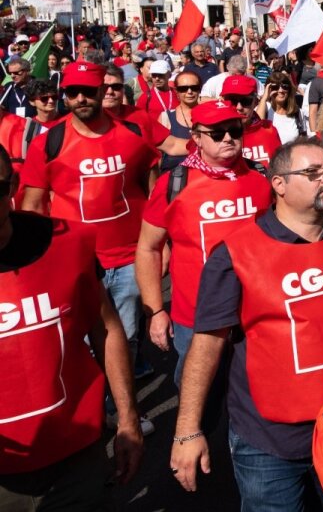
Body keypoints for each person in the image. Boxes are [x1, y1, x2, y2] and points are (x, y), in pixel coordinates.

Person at [170, 138, 323, 509]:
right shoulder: (235, 254)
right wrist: (188, 430)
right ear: (279, 184)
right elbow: (207, 344)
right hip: (267, 441)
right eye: (312, 173)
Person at [19, 62, 159, 435]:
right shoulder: (47, 141)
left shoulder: (133, 131)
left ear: (104, 91)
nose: (80, 98)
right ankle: (88, 413)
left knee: (125, 339)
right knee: (78, 344)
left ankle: (121, 410)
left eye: (89, 91)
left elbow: (152, 179)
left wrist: (159, 243)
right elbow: (32, 206)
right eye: (72, 92)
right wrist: (38, 260)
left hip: (128, 258)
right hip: (75, 263)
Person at [0, 146, 144, 507]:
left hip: (76, 456)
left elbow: (107, 329)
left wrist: (128, 419)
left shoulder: (68, 244)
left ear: (12, 186)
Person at [135, 101, 273, 387]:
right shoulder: (174, 183)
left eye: (234, 130)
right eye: (217, 132)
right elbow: (148, 248)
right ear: (196, 137)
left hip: (256, 310)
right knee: (197, 391)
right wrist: (156, 311)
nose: (228, 138)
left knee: (251, 393)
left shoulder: (261, 176)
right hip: (195, 315)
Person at [222, 74, 282, 164]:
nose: (239, 107)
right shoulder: (212, 136)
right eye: (232, 101)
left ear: (255, 102)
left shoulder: (269, 131)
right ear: (223, 102)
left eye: (245, 101)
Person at [256, 70, 308, 144]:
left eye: (285, 86)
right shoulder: (265, 107)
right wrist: (264, 98)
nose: (281, 90)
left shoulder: (298, 112)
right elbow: (257, 125)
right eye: (275, 87)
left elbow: (303, 140)